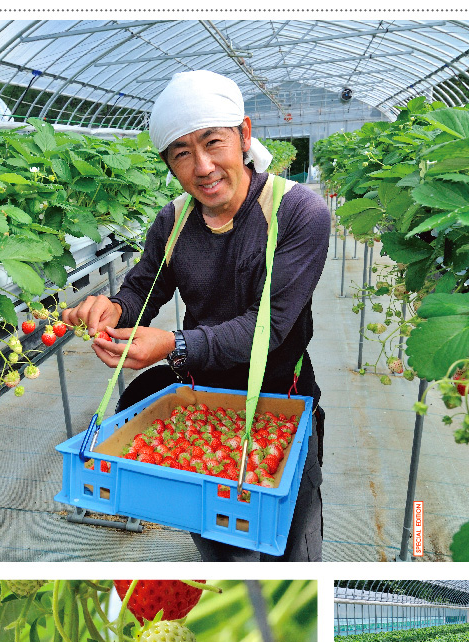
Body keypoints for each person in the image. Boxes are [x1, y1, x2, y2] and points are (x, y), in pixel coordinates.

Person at [60, 70, 332, 561]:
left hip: (281, 403)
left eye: (213, 143)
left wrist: (171, 345)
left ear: (244, 135)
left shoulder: (298, 213)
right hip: (197, 403)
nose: (203, 167)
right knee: (215, 538)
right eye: (182, 154)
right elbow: (144, 288)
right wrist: (111, 309)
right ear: (169, 163)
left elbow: (266, 329)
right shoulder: (173, 221)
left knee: (288, 545)